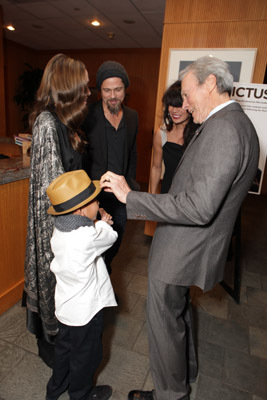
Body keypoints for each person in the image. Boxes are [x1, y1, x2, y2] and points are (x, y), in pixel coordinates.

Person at [99, 56, 260, 400]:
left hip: (182, 247)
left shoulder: (225, 129)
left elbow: (199, 206)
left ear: (210, 85)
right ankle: (185, 373)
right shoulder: (236, 124)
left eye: (188, 94)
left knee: (163, 322)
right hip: (189, 244)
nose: (183, 104)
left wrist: (132, 198)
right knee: (178, 311)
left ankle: (170, 393)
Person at [23, 53, 90, 367]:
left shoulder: (65, 122)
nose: (88, 92)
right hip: (59, 237)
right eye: (83, 87)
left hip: (70, 231)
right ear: (68, 87)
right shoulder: (48, 123)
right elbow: (54, 196)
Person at [45, 169, 117, 400]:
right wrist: (104, 222)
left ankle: (56, 388)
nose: (99, 202)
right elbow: (109, 237)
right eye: (95, 200)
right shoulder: (88, 236)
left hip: (65, 308)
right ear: (81, 209)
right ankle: (81, 394)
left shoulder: (59, 229)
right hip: (87, 312)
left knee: (64, 349)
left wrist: (94, 221)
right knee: (87, 356)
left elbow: (85, 229)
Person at [82, 60, 139, 274]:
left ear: (125, 89)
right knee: (93, 247)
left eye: (118, 89)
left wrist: (129, 184)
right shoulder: (87, 115)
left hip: (120, 196)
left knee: (115, 243)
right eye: (107, 90)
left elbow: (133, 153)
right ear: (100, 91)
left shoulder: (132, 117)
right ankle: (98, 290)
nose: (113, 95)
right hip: (93, 196)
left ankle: (103, 279)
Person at [150, 80, 198, 194]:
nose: (174, 110)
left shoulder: (199, 134)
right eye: (171, 105)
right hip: (167, 194)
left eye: (179, 105)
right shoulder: (161, 133)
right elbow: (156, 168)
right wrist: (151, 198)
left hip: (191, 197)